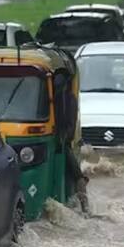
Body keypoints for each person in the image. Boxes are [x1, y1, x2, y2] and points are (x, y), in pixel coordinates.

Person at [53, 70, 90, 214]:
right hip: (58, 139)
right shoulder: (51, 97)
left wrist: (63, 138)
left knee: (76, 174)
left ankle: (85, 207)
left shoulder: (69, 99)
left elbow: (70, 125)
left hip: (65, 143)